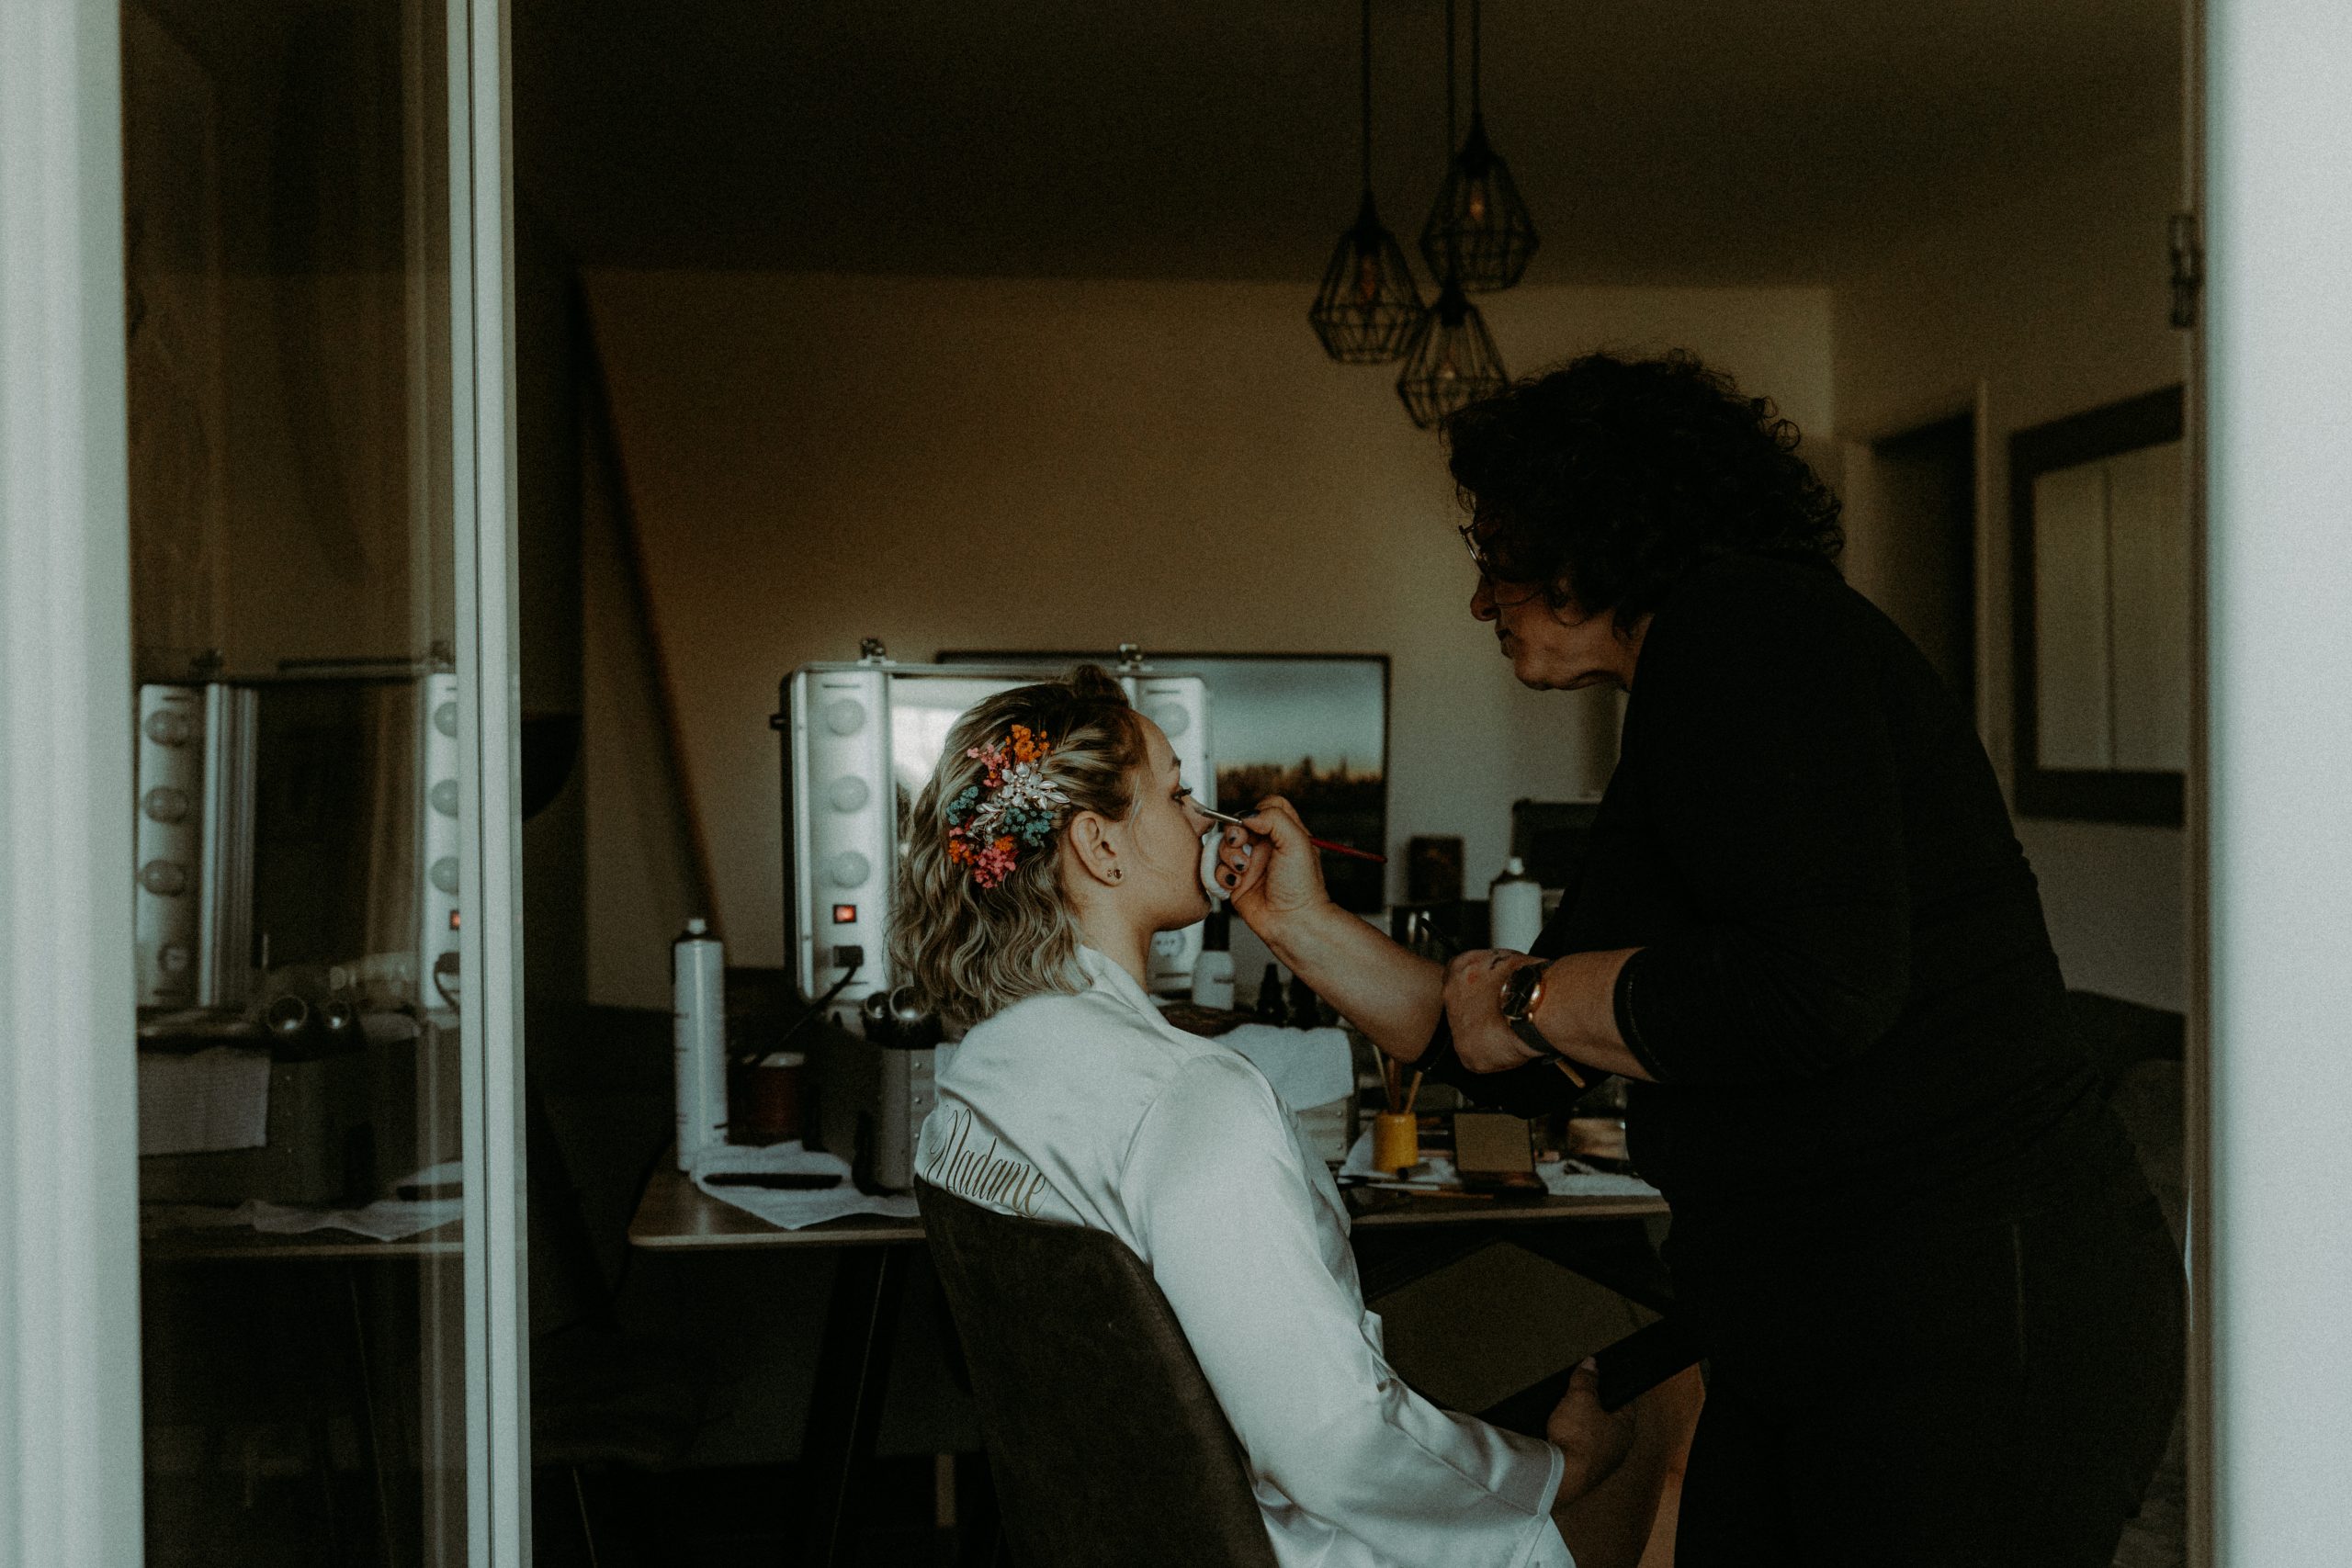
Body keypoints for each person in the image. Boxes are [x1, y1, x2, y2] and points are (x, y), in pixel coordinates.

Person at [1216, 352, 2186, 1568]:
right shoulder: (1696, 689)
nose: (1482, 598)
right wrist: (1295, 920)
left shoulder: (1751, 631)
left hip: (1974, 1314)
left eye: (1497, 550)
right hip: (1823, 1314)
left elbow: (1814, 986)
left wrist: (1529, 993)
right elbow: (1524, 1056)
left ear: (1589, 540)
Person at [892, 666, 1670, 1568]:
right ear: (1100, 848)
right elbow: (1330, 1446)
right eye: (1178, 793)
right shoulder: (1188, 1098)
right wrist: (1554, 1472)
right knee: (1659, 1407)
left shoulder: (972, 1081)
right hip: (1288, 1550)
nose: (1202, 817)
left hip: (1122, 1536)